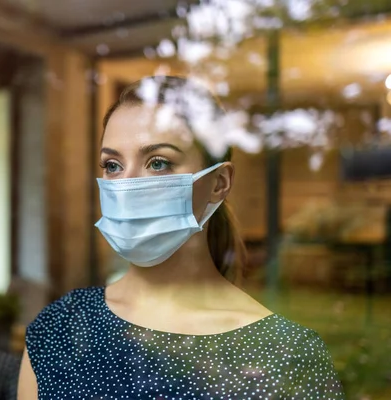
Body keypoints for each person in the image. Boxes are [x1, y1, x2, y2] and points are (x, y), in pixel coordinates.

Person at [18, 76, 345, 399]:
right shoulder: (59, 327)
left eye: (158, 163)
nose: (126, 186)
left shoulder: (289, 357)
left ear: (218, 183)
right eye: (113, 165)